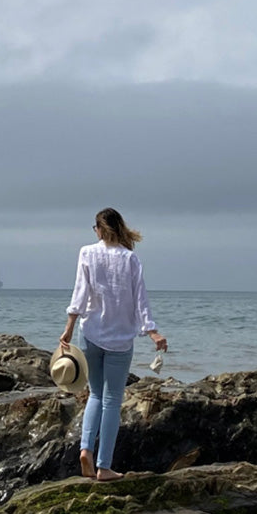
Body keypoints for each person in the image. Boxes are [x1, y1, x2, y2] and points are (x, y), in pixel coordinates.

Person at [58, 207, 168, 482]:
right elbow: (140, 299)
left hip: (91, 334)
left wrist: (69, 327)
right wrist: (152, 332)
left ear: (99, 229)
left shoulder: (86, 253)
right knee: (111, 400)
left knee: (95, 395)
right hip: (119, 339)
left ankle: (85, 449)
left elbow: (79, 294)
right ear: (119, 228)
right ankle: (104, 466)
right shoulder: (130, 259)